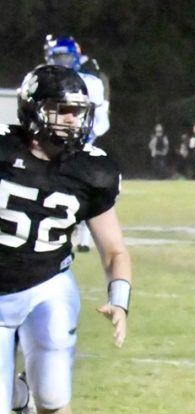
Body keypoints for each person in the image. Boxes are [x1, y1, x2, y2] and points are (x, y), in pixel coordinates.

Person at [1, 65, 132, 414]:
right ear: (34, 110)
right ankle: (19, 397)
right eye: (62, 110)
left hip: (47, 288)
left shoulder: (92, 170)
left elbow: (114, 250)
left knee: (54, 392)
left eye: (78, 112)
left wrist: (120, 301)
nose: (72, 121)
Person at [44, 35, 110, 254]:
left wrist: (86, 136)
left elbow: (101, 120)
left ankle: (84, 235)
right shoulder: (42, 78)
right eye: (57, 56)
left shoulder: (91, 82)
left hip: (80, 141)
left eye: (65, 56)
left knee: (83, 187)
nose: (61, 61)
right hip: (49, 141)